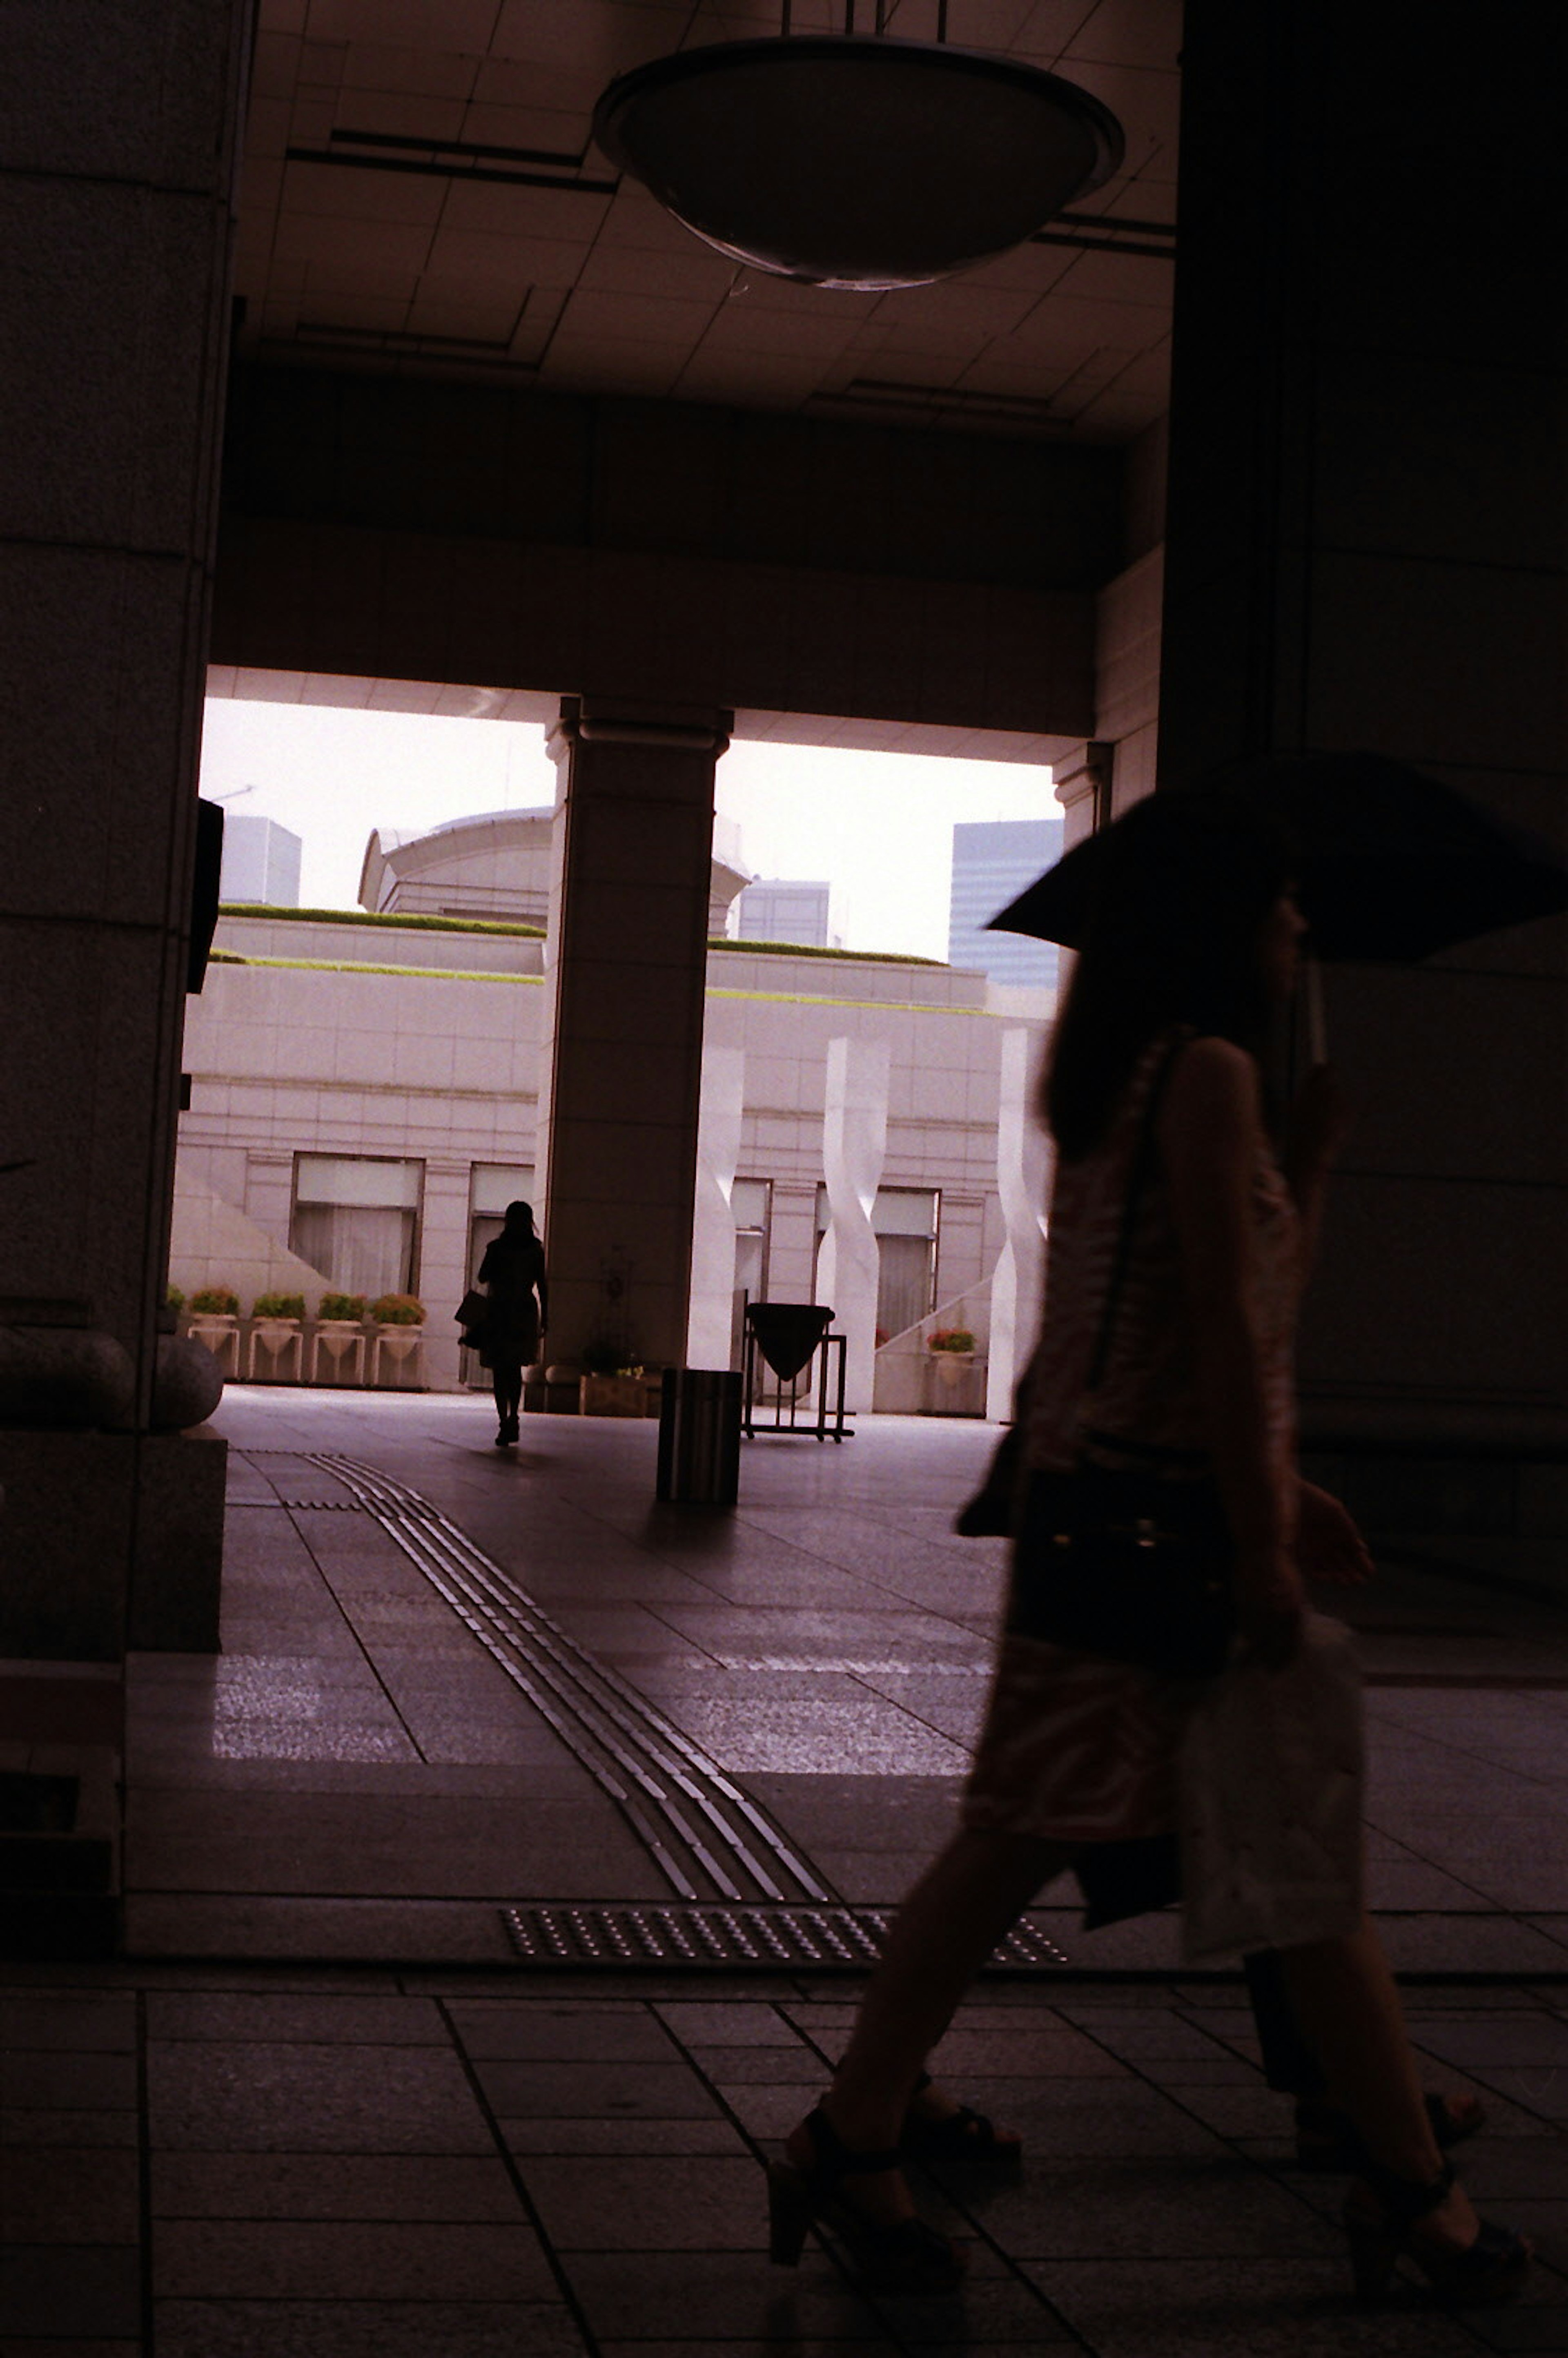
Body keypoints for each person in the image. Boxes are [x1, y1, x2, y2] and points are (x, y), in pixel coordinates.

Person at [767, 786, 1530, 2305]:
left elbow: (1224, 1308)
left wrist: (1306, 1174)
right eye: (1282, 898)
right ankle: (862, 2127)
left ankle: (1395, 2170)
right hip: (1156, 1535)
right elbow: (1229, 1341)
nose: (1301, 922)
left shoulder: (1146, 1076)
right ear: (1226, 921)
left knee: (1196, 1860)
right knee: (1091, 1850)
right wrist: (1260, 1533)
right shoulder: (1207, 1077)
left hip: (1115, 1509)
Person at [477, 1201, 547, 1446]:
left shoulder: (497, 1248)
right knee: (515, 1368)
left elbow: (482, 1276)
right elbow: (543, 1285)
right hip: (523, 1312)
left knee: (499, 1369)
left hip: (499, 1311)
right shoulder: (535, 1250)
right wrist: (546, 1317)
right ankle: (514, 1417)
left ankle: (503, 1420)